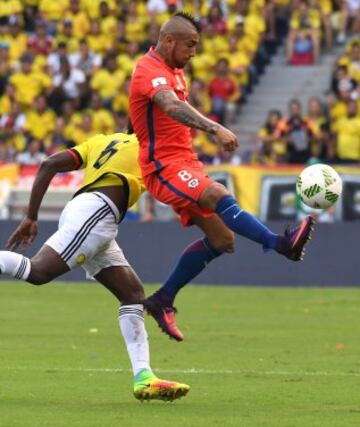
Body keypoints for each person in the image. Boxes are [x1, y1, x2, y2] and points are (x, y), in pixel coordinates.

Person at [129, 11, 315, 342]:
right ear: (169, 40)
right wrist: (214, 127)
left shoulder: (175, 71)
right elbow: (170, 107)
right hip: (163, 165)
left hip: (185, 161)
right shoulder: (149, 70)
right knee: (216, 193)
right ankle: (280, 244)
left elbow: (152, 115)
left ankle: (162, 299)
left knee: (223, 241)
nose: (194, 53)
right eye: (190, 45)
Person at [1, 132, 189, 402]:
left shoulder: (103, 140)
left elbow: (48, 164)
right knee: (39, 271)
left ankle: (144, 378)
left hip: (85, 208)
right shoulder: (151, 147)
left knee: (133, 295)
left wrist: (32, 216)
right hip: (98, 213)